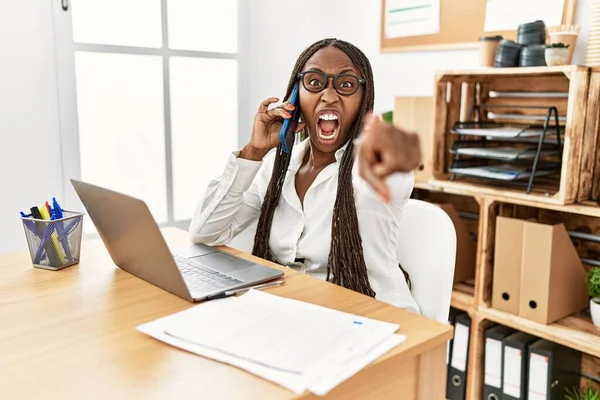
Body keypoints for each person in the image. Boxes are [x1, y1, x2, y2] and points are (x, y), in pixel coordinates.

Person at [189, 38, 422, 313]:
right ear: (296, 95)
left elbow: (391, 176)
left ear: (363, 100)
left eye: (346, 85)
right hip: (303, 315)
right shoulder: (278, 168)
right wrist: (254, 151)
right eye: (315, 82)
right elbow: (204, 233)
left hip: (377, 319)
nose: (329, 95)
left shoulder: (367, 167)